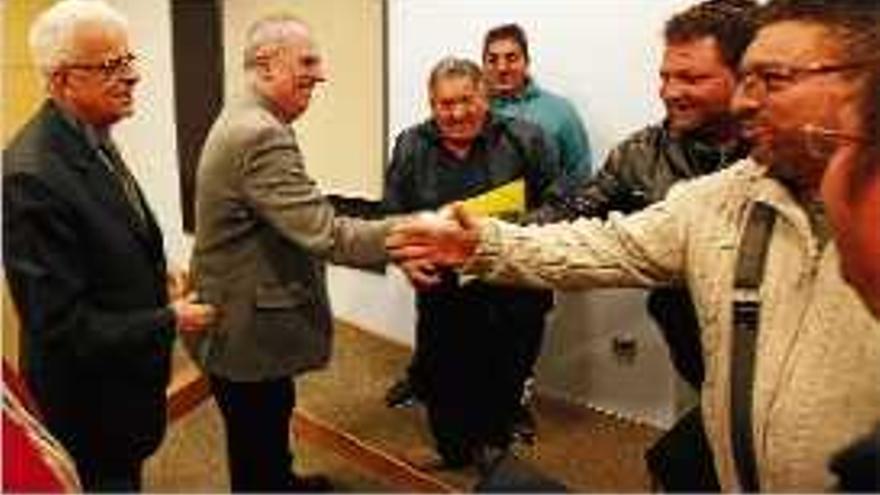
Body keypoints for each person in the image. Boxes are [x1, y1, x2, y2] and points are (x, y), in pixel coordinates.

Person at [387, 0, 880, 490]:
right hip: (713, 378)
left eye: (772, 79)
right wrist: (485, 242)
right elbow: (600, 239)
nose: (746, 102)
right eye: (666, 77)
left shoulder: (528, 136)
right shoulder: (702, 194)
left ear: (864, 81)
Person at [528, 0, 757, 490]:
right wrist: (495, 235)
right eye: (665, 76)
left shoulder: (775, 155)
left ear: (745, 78)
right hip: (688, 341)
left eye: (691, 78)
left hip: (766, 351)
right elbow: (573, 213)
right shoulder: (638, 154)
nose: (670, 92)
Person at [2, 0, 216, 490]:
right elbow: (60, 326)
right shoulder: (31, 175)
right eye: (110, 66)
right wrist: (170, 319)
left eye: (129, 59)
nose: (133, 76)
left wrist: (150, 273)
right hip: (88, 407)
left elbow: (102, 231)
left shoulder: (90, 133)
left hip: (122, 388)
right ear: (60, 80)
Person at [185, 14, 395, 492]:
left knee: (268, 416)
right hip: (243, 326)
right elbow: (328, 236)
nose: (320, 73)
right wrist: (417, 231)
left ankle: (280, 480)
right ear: (265, 64)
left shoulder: (250, 116)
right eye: (307, 60)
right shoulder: (259, 132)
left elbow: (294, 207)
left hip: (242, 316)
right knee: (255, 434)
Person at [382, 57, 560, 468]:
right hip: (442, 287)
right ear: (431, 103)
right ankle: (451, 449)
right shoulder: (410, 144)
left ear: (485, 96)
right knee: (443, 370)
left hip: (512, 282)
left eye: (467, 100)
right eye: (446, 104)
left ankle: (494, 451)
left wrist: (504, 233)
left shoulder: (526, 139)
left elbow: (559, 202)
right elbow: (392, 214)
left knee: (506, 369)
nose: (458, 113)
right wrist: (405, 256)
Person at [482, 23, 591, 179]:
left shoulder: (560, 111)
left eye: (511, 58)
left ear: (526, 62)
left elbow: (580, 173)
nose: (502, 68)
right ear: (483, 66)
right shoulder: (471, 114)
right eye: (492, 60)